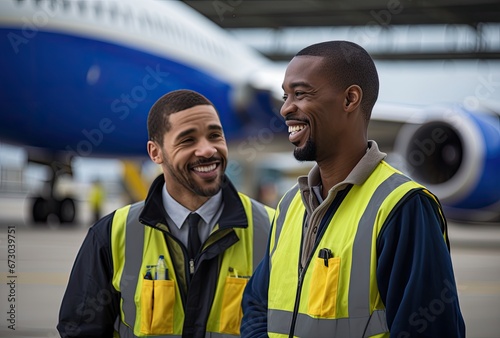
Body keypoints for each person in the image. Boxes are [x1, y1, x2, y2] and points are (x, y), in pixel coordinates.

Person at [240, 41, 465, 337]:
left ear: (350, 99)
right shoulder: (289, 205)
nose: (285, 108)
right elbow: (257, 306)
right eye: (285, 96)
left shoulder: (403, 207)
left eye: (300, 94)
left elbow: (431, 330)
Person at [57, 89, 274, 338]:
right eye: (188, 140)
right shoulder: (110, 234)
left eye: (215, 135)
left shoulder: (274, 228)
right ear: (155, 152)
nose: (207, 150)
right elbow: (80, 331)